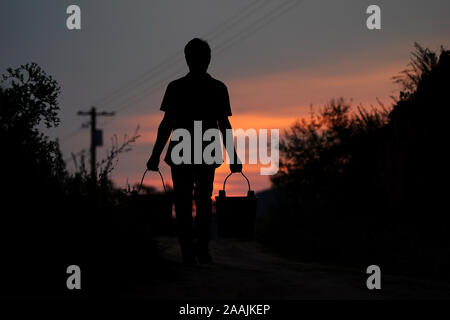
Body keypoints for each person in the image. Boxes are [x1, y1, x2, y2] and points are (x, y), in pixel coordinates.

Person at [146, 38, 242, 266]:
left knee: (183, 202)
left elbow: (166, 124)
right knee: (203, 200)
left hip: (181, 151)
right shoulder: (217, 88)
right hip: (206, 151)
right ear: (208, 59)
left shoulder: (176, 87)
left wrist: (155, 155)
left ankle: (189, 251)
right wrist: (234, 157)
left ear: (187, 59)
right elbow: (224, 125)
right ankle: (200, 248)